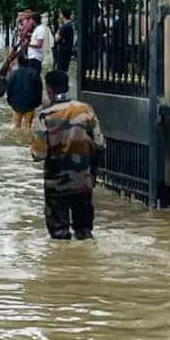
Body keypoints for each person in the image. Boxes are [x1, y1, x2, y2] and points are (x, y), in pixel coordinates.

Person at [30, 71, 105, 240]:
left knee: (59, 237)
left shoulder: (44, 116)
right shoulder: (86, 110)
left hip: (56, 184)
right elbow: (100, 144)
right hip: (83, 181)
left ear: (48, 90)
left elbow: (38, 154)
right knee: (85, 234)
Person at [6, 55, 43, 128]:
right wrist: (38, 102)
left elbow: (9, 88)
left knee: (16, 126)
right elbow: (39, 89)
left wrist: (10, 101)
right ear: (28, 62)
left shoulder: (13, 73)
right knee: (28, 125)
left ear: (18, 62)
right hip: (30, 104)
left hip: (16, 104)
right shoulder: (34, 73)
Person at [54, 9, 75, 73]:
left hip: (63, 49)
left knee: (61, 68)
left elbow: (57, 38)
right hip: (68, 48)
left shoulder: (64, 27)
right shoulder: (70, 25)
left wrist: (57, 33)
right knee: (65, 67)